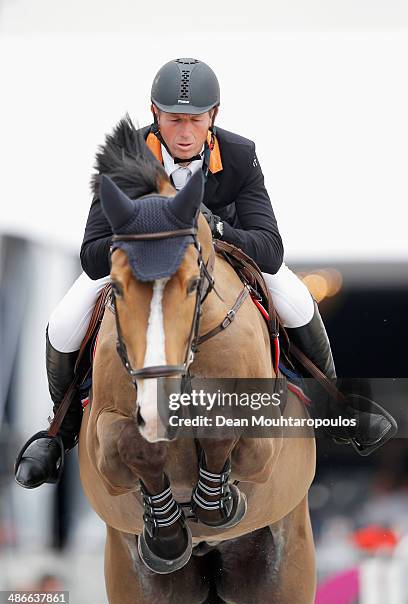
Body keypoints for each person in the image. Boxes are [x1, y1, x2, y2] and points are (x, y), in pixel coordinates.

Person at [15, 58, 395, 489]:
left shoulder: (239, 155)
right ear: (154, 113)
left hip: (220, 261)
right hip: (142, 267)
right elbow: (91, 254)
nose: (184, 132)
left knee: (295, 297)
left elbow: (269, 249)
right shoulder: (124, 158)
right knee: (64, 322)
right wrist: (146, 230)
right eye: (174, 119)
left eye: (195, 120)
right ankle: (59, 434)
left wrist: (214, 228)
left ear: (213, 115)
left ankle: (337, 406)